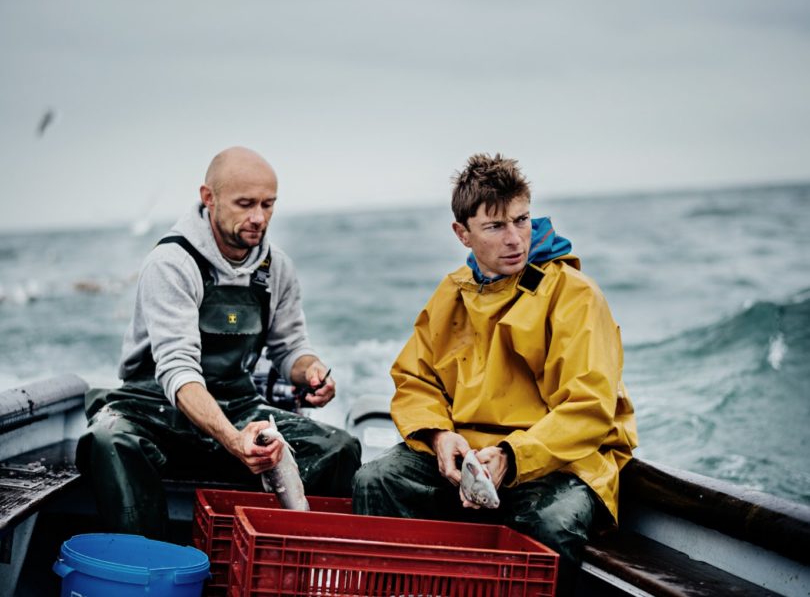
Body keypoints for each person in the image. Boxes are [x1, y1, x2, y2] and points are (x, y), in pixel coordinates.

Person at [352, 153, 638, 594]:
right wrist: (438, 436)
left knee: (549, 525)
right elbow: (415, 380)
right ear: (462, 234)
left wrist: (511, 455)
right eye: (495, 226)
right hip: (467, 459)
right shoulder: (450, 293)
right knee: (376, 481)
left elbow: (589, 408)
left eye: (522, 220)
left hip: (559, 462)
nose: (515, 239)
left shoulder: (575, 295)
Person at [77, 146, 361, 540]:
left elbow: (290, 347)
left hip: (238, 405)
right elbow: (178, 370)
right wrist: (232, 439)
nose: (258, 217)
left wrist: (309, 370)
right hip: (156, 409)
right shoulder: (172, 263)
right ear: (208, 197)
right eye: (245, 204)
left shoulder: (276, 268)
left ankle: (301, 565)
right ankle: (149, 566)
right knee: (109, 440)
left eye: (268, 204)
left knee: (339, 449)